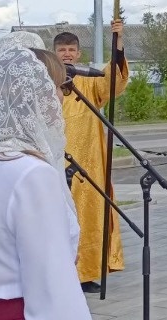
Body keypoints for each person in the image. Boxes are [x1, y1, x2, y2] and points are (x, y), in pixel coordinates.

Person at [0, 44, 92, 319]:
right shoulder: (32, 174)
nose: (60, 97)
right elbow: (52, 288)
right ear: (34, 96)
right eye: (57, 87)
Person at [54, 20, 128, 293]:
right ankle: (57, 274)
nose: (67, 54)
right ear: (54, 53)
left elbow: (113, 81)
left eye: (71, 49)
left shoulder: (87, 79)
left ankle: (84, 273)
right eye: (62, 50)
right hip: (53, 163)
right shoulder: (43, 81)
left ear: (79, 53)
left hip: (87, 163)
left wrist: (118, 43)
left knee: (86, 216)